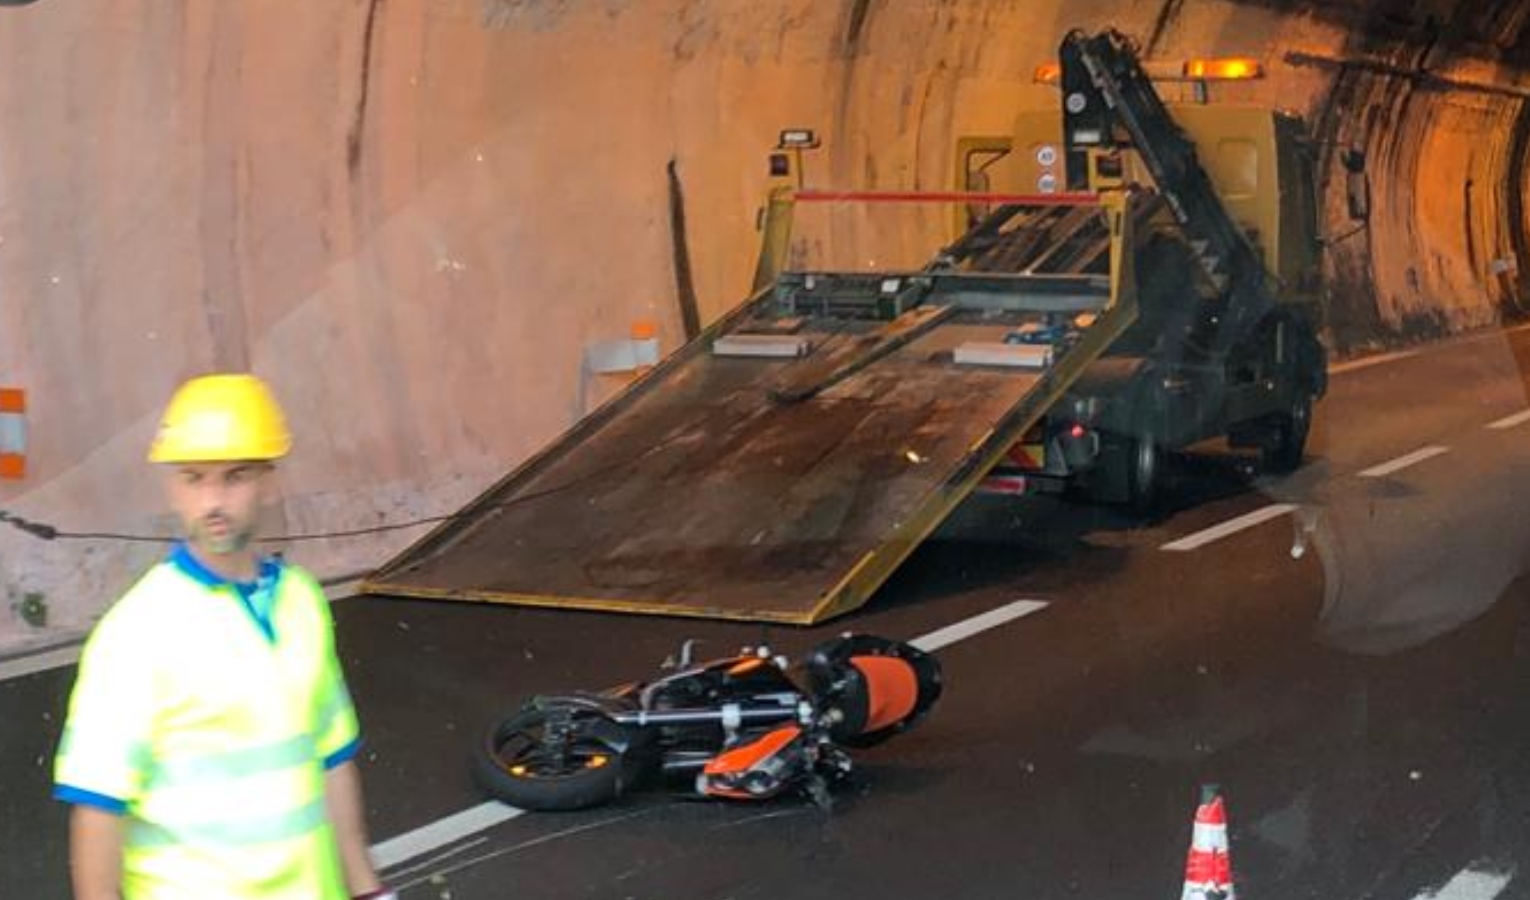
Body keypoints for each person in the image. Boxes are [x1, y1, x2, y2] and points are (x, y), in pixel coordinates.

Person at [53, 373, 394, 900]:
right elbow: (98, 806)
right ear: (172, 485)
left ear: (269, 479)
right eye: (193, 478)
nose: (212, 500)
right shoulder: (137, 630)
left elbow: (332, 758)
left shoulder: (302, 601)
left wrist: (367, 889)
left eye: (235, 476)